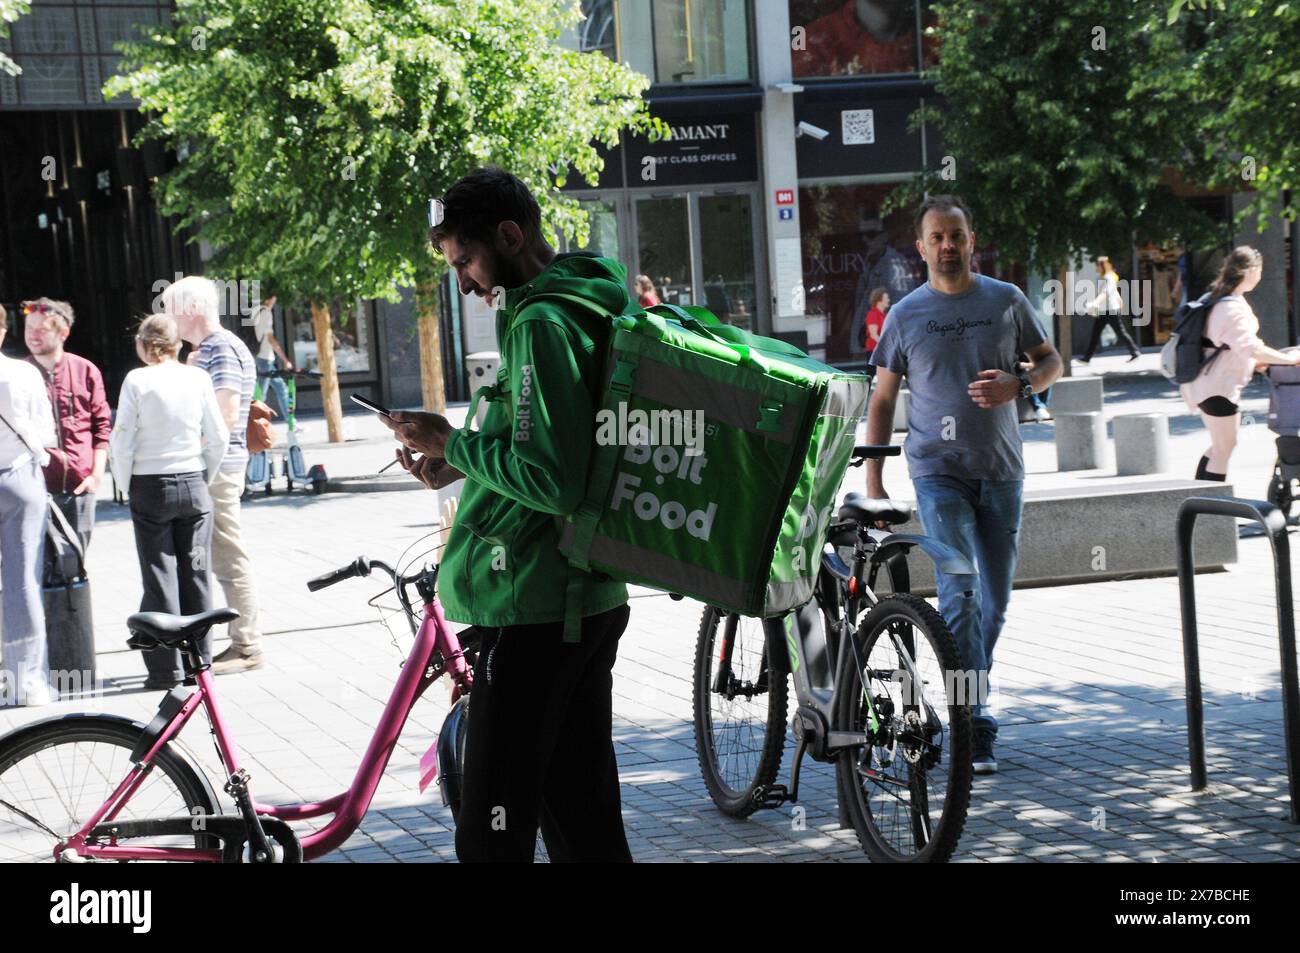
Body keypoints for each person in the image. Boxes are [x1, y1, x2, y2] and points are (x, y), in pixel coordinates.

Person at [379, 166, 633, 863]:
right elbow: (551, 443)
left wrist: (450, 440)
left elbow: (552, 479)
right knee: (585, 828)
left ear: (510, 236)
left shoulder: (544, 324)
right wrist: (458, 462)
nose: (462, 281)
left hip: (534, 613)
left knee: (490, 834)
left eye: (465, 261)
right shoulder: (583, 300)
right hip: (579, 599)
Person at [865, 194, 1063, 775]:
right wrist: (875, 479)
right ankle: (972, 720)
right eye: (937, 237)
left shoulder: (1006, 300)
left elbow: (1051, 359)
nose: (948, 245)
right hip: (936, 470)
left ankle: (967, 680)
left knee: (994, 605)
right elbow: (881, 398)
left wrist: (1020, 386)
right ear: (921, 247)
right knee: (961, 593)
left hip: (1001, 470)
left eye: (957, 235)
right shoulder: (905, 315)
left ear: (970, 241)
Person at [111, 315, 229, 690]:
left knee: (159, 575)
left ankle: (165, 670)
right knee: (197, 573)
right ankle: (200, 664)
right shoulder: (197, 378)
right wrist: (203, 475)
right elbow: (218, 434)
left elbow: (123, 438)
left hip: (150, 484)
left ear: (145, 345)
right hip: (193, 483)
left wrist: (125, 481)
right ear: (177, 345)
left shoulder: (137, 380)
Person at [164, 277, 265, 676]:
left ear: (190, 309)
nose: (166, 318)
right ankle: (240, 640)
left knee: (227, 553)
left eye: (170, 308)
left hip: (217, 468)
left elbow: (223, 415)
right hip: (214, 466)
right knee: (221, 552)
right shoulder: (206, 350)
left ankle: (247, 644)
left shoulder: (220, 348)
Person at [1180, 246, 1300, 482]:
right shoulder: (1231, 306)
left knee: (1218, 447)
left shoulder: (1216, 298)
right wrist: (1289, 359)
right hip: (1218, 388)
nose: (1260, 275)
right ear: (1251, 270)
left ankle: (1197, 501)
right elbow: (1250, 347)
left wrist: (1254, 363)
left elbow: (1227, 345)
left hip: (1204, 383)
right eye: (1260, 270)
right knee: (1224, 448)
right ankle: (1210, 512)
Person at [0, 303, 58, 707]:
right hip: (19, 476)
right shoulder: (22, 372)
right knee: (24, 584)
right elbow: (44, 430)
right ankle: (27, 682)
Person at [21, 298, 111, 551]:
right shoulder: (19, 374)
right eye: (29, 328)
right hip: (33, 487)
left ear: (63, 333)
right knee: (36, 568)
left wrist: (95, 476)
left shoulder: (86, 370)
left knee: (76, 564)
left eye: (42, 329)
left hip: (80, 488)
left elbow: (101, 426)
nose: (33, 335)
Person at [1079, 256, 1140, 363]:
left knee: (1120, 332)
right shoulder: (1104, 277)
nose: (1095, 268)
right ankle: (1087, 358)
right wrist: (1119, 300)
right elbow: (1113, 291)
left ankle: (1135, 351)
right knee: (1096, 334)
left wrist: (1095, 303)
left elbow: (1106, 292)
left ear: (1102, 266)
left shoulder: (1109, 277)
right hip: (1104, 310)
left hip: (1110, 310)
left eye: (1097, 265)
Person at [250, 294, 297, 430]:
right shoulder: (266, 313)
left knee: (280, 389)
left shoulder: (256, 312)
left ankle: (291, 422)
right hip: (265, 358)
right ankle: (254, 425)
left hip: (260, 357)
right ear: (270, 298)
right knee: (260, 395)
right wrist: (285, 360)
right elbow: (271, 339)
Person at [862, 286, 889, 368]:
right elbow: (873, 335)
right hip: (874, 351)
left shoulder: (883, 315)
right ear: (879, 300)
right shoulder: (873, 314)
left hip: (881, 351)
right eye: (886, 298)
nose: (888, 300)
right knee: (874, 376)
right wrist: (887, 345)